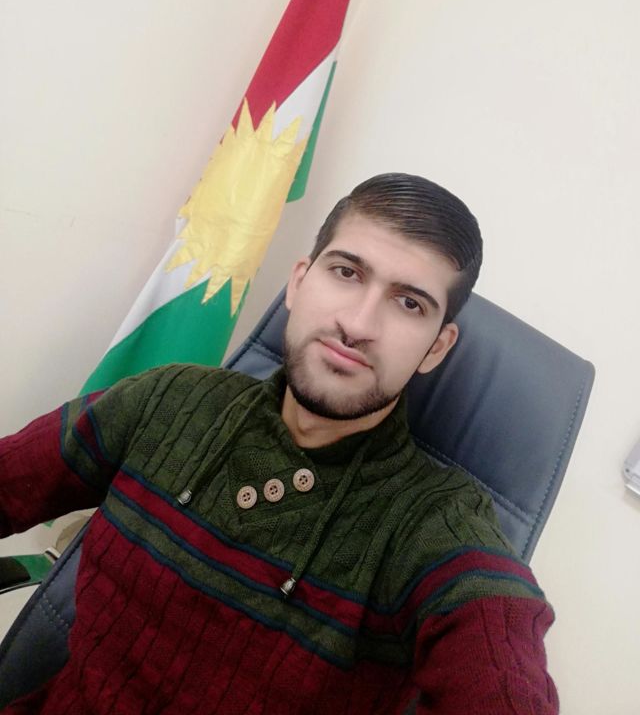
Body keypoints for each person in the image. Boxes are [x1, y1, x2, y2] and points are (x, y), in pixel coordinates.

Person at [0, 173, 558, 714]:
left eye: (409, 303)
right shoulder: (168, 400)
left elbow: (497, 663)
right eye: (346, 272)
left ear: (436, 348)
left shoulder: (436, 524)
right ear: (298, 282)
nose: (358, 324)